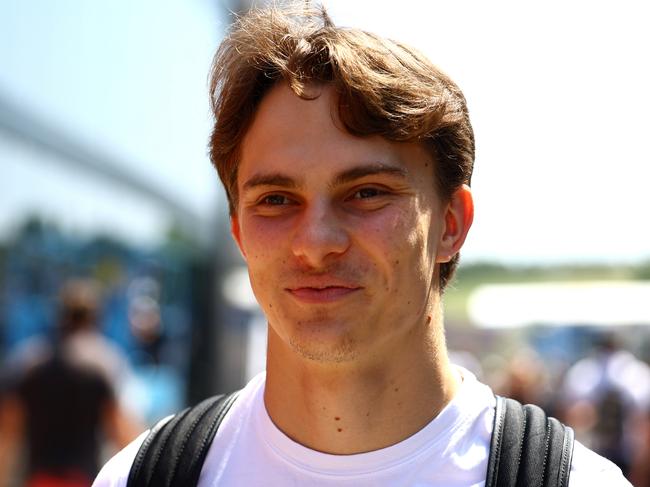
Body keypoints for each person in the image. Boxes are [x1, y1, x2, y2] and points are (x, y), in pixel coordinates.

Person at [94, 3, 631, 485]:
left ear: (451, 223)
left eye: (367, 193)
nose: (315, 242)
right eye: (276, 200)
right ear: (238, 232)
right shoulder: (142, 476)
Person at [0, 278, 140, 487]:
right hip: (85, 478)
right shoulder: (105, 362)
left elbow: (8, 432)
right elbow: (122, 434)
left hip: (40, 478)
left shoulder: (28, 362)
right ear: (96, 318)